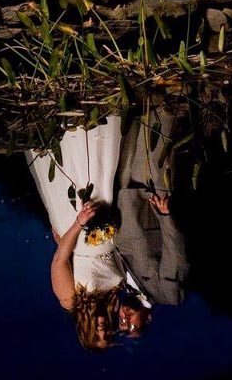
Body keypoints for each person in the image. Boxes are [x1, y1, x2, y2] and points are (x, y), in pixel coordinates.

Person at [26, 115, 124, 350]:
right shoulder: (115, 298)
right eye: (109, 337)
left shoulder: (71, 301)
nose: (104, 332)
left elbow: (59, 261)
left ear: (87, 332)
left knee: (78, 172)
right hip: (108, 223)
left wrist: (79, 223)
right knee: (104, 169)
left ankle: (67, 118)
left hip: (79, 229)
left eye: (98, 337)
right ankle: (97, 114)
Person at [113, 110, 189, 310]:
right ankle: (167, 97)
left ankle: (138, 97)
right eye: (132, 326)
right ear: (147, 319)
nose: (125, 319)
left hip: (125, 200)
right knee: (154, 146)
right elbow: (176, 255)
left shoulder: (124, 287)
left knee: (129, 137)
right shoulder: (167, 295)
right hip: (150, 204)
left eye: (121, 323)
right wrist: (165, 216)